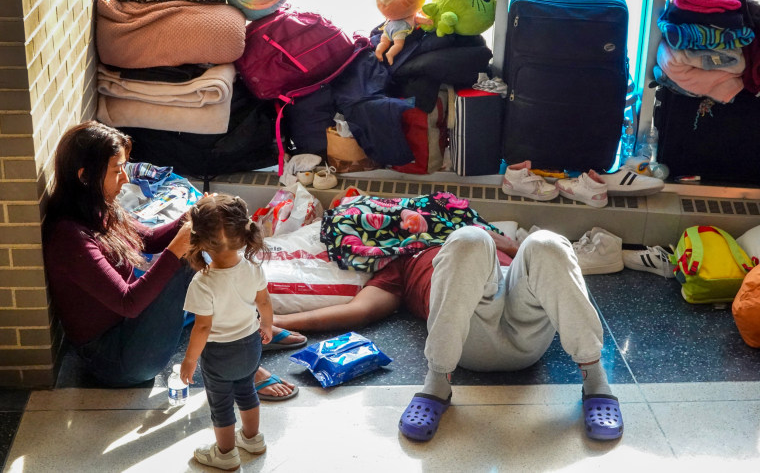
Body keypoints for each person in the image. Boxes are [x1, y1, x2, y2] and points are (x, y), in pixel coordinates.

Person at [274, 226, 624, 442]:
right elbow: (359, 311)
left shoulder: (487, 240)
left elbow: (550, 269)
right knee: (467, 240)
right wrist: (277, 321)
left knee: (546, 242)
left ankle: (595, 379)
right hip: (470, 338)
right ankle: (437, 383)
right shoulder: (404, 262)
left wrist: (510, 243)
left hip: (526, 325)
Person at [43, 121, 303, 398]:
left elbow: (148, 238)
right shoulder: (69, 237)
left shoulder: (98, 207)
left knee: (199, 240)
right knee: (190, 256)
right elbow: (127, 303)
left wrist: (192, 214)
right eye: (117, 171)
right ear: (84, 176)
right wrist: (178, 247)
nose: (125, 179)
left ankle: (246, 330)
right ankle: (242, 357)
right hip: (116, 360)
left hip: (133, 327)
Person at [179, 193, 272, 470]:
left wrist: (190, 359)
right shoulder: (253, 268)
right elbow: (264, 301)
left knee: (221, 405)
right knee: (247, 391)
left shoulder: (203, 283)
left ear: (200, 240)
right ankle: (253, 439)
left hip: (219, 355)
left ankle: (225, 453)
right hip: (251, 344)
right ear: (243, 235)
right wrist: (266, 325)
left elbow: (203, 327)